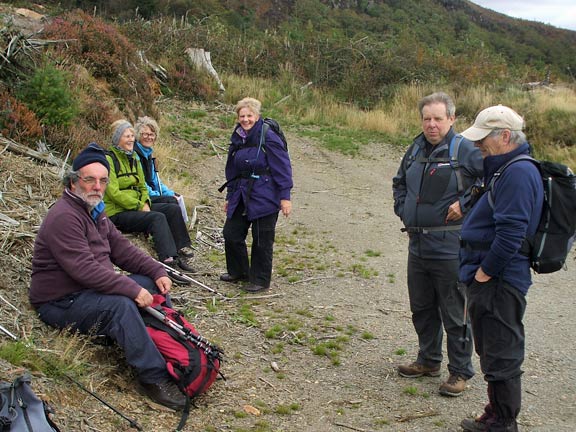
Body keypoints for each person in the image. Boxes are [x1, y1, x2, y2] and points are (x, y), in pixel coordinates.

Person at [29, 143, 187, 410]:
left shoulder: (95, 211)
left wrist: (156, 270)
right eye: (89, 179)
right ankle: (154, 377)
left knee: (149, 284)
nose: (97, 186)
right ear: (73, 181)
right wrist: (130, 289)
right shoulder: (64, 217)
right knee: (121, 305)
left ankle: (171, 342)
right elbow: (86, 270)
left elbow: (122, 249)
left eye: (103, 180)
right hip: (60, 301)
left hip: (88, 292)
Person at [458, 106, 543, 431]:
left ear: (505, 136)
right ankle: (495, 413)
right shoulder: (507, 168)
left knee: (502, 352)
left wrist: (483, 274)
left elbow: (511, 235)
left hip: (499, 281)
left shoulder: (518, 173)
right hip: (494, 279)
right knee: (493, 349)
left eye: (484, 139)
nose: (478, 146)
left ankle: (503, 422)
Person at [392, 92, 483, 396]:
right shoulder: (415, 147)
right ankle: (428, 360)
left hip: (450, 246)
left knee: (455, 312)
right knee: (422, 307)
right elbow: (399, 181)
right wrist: (402, 207)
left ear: (452, 119)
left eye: (438, 118)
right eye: (426, 118)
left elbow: (490, 183)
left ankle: (460, 372)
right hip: (417, 243)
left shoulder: (465, 150)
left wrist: (466, 203)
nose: (431, 124)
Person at [103, 119, 194, 279]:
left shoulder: (133, 158)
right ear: (117, 139)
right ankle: (167, 262)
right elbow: (113, 193)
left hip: (136, 206)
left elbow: (143, 186)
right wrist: (139, 205)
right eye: (126, 136)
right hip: (117, 212)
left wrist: (145, 201)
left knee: (172, 209)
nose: (131, 139)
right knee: (156, 218)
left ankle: (179, 251)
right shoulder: (109, 160)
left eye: (132, 135)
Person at [220, 97, 293, 293]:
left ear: (257, 116)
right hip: (241, 192)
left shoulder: (268, 136)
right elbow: (231, 169)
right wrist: (230, 197)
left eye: (249, 115)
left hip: (266, 193)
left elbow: (283, 167)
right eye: (242, 116)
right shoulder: (237, 136)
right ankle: (239, 271)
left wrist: (285, 197)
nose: (245, 119)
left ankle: (260, 280)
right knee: (231, 233)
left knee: (262, 239)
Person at [133, 116, 194, 257]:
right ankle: (176, 247)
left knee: (174, 198)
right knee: (170, 203)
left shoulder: (148, 155)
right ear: (138, 135)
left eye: (152, 134)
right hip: (143, 196)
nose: (149, 137)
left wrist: (169, 192)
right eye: (145, 134)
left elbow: (155, 180)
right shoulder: (136, 155)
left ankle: (178, 245)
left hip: (150, 193)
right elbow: (141, 183)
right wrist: (158, 195)